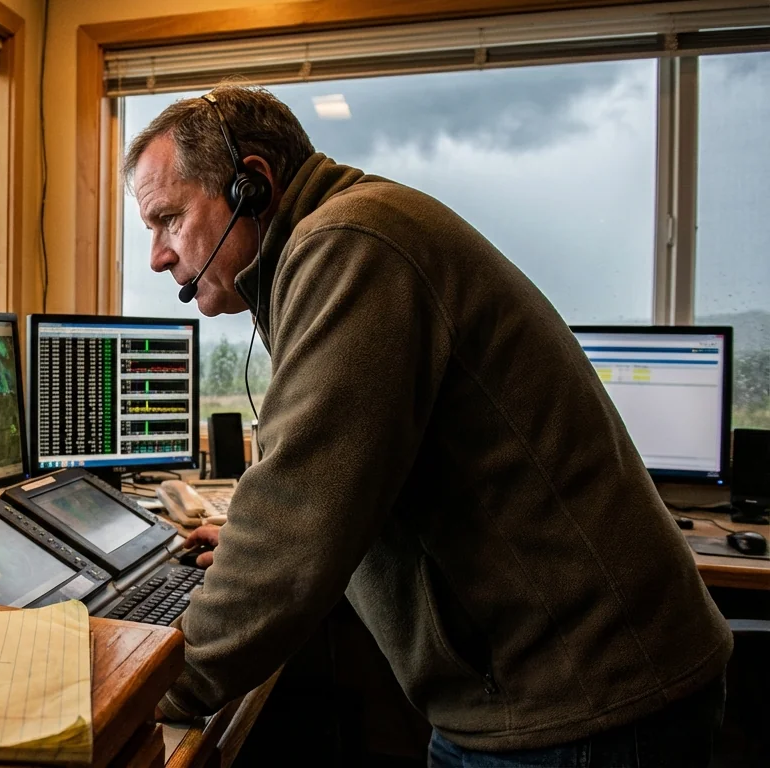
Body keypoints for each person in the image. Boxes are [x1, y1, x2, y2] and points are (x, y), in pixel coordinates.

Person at [126, 84, 732, 766]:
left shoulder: (349, 246)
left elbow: (301, 510)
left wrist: (152, 686)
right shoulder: (346, 234)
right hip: (553, 695)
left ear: (251, 187)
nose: (157, 255)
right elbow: (345, 480)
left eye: (168, 219)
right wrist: (249, 539)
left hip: (581, 708)